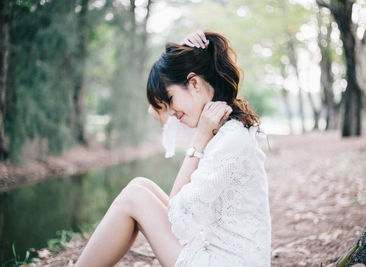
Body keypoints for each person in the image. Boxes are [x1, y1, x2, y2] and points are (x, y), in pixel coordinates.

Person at [75, 30, 271, 267]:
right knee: (141, 185)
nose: (170, 112)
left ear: (195, 83)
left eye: (170, 99)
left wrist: (198, 141)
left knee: (134, 197)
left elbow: (177, 214)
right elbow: (155, 112)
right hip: (225, 257)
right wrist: (183, 54)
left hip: (227, 262)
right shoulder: (224, 127)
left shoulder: (229, 138)